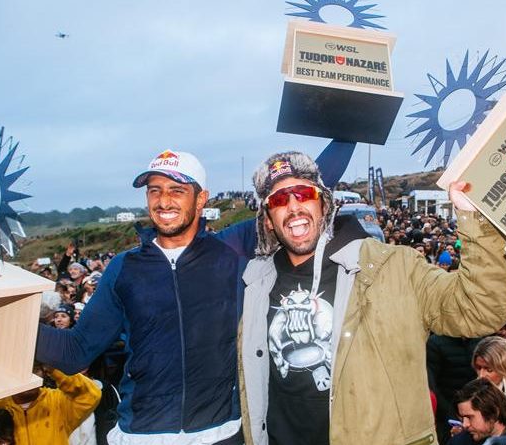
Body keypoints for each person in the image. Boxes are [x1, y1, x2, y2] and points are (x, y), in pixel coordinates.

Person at [36, 147, 352, 443]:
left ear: (201, 199)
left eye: (177, 190)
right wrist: (10, 325)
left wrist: (349, 129)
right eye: (155, 190)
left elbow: (300, 185)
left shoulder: (231, 251)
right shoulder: (123, 268)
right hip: (141, 435)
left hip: (221, 433)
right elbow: (76, 351)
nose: (164, 201)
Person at [238, 151, 506, 445]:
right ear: (268, 220)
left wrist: (476, 221)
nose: (293, 207)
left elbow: (481, 307)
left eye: (304, 193)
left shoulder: (392, 267)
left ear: (324, 203)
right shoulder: (256, 285)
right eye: (279, 200)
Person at [0, 365, 101, 445]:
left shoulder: (58, 402)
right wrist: (3, 391)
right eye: (20, 370)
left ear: (44, 372)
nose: (28, 376)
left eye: (35, 369)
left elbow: (91, 395)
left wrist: (54, 367)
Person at [448, 378, 506, 445]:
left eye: (469, 417)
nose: (465, 425)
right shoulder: (460, 442)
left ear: (493, 412)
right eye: (462, 418)